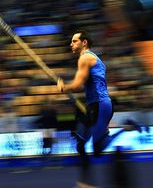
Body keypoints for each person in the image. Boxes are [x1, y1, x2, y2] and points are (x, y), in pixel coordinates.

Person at [57, 30, 144, 187]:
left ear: (84, 43)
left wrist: (64, 87)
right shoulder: (91, 58)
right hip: (93, 105)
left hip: (100, 106)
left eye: (74, 41)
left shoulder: (86, 58)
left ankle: (126, 125)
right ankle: (86, 183)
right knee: (81, 143)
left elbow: (77, 85)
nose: (71, 44)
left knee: (96, 150)